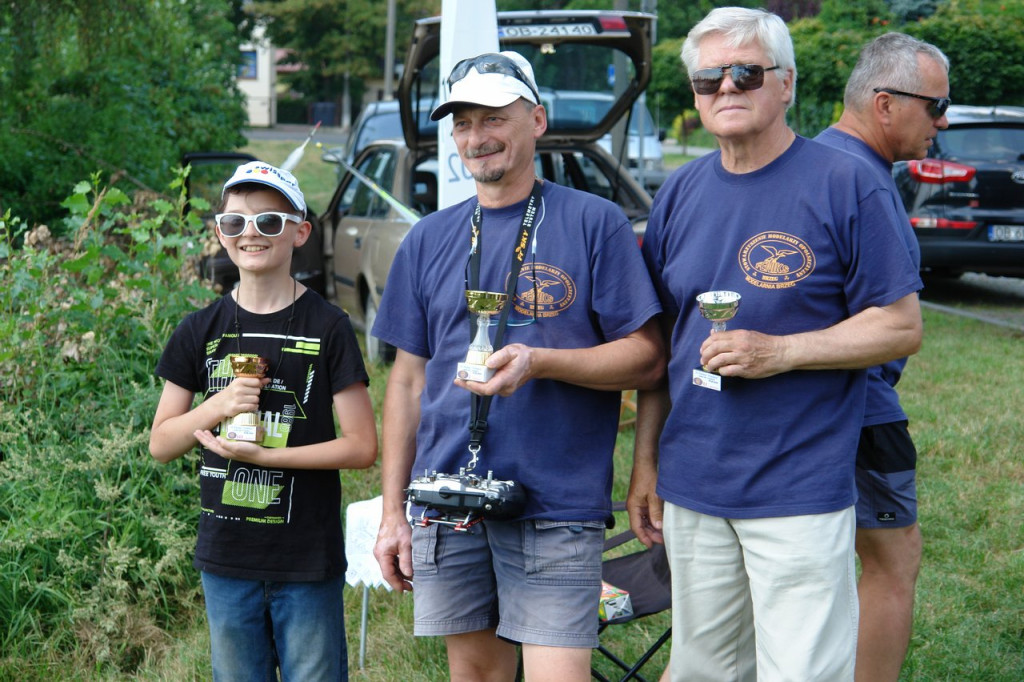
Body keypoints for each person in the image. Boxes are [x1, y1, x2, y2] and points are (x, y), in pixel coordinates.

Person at [627, 8, 924, 681]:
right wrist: (646, 463)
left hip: (798, 484)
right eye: (709, 80)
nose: (725, 89)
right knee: (704, 669)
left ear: (785, 84)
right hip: (694, 482)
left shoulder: (845, 183)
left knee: (800, 672)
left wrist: (782, 352)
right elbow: (664, 349)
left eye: (745, 73)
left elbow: (901, 325)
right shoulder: (679, 191)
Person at [370, 51, 664, 682]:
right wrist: (394, 512)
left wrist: (542, 362)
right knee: (475, 676)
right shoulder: (427, 238)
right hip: (448, 500)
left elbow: (647, 358)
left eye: (494, 117)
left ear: (536, 119)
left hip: (556, 500)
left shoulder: (595, 223)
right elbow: (407, 382)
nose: (477, 137)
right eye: (463, 123)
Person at [149, 161, 378, 681]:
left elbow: (363, 446)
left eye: (268, 222)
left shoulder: (330, 326)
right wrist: (214, 408)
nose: (250, 233)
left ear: (300, 231)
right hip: (226, 559)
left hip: (306, 560)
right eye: (235, 223)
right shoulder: (197, 330)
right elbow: (161, 443)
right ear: (219, 234)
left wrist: (270, 456)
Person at [815, 33, 949, 682]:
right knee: (895, 564)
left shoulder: (811, 160)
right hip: (862, 409)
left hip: (803, 407)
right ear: (886, 104)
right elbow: (897, 327)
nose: (943, 122)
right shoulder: (863, 182)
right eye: (937, 106)